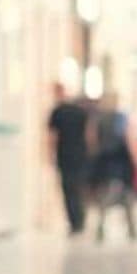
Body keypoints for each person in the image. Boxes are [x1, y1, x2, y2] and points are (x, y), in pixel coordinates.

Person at [46, 84, 93, 238]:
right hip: (80, 155)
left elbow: (53, 137)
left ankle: (75, 223)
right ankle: (80, 220)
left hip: (65, 155)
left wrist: (50, 155)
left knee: (68, 189)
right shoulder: (80, 112)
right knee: (78, 187)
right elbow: (89, 135)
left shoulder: (57, 112)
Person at [91, 92, 137, 241]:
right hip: (119, 161)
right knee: (120, 193)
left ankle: (128, 228)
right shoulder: (120, 117)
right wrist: (134, 158)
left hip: (104, 160)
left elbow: (92, 139)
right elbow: (126, 137)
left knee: (116, 194)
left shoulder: (99, 118)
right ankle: (129, 228)